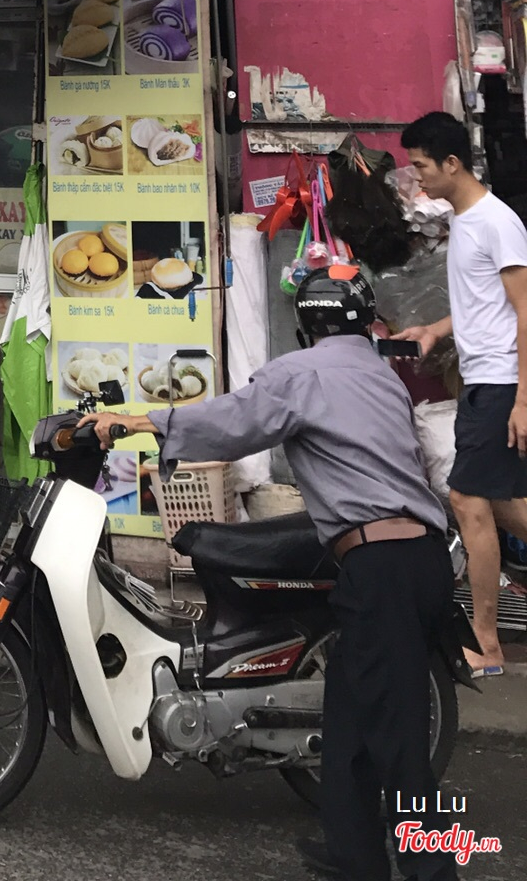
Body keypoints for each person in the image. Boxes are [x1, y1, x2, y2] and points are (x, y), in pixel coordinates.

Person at [86, 267, 455, 881]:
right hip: (417, 561)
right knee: (349, 723)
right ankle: (353, 856)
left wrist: (140, 422)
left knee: (398, 745)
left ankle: (436, 873)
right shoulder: (378, 374)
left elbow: (233, 422)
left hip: (380, 566)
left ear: (306, 324)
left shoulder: (301, 374)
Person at [399, 109, 527, 676]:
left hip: (502, 382)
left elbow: (525, 310)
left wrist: (523, 399)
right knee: (500, 504)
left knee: (466, 500)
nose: (417, 177)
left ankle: (487, 644)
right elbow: (483, 302)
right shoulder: (465, 220)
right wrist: (435, 329)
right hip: (482, 381)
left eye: (422, 166)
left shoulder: (498, 222)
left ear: (452, 163)